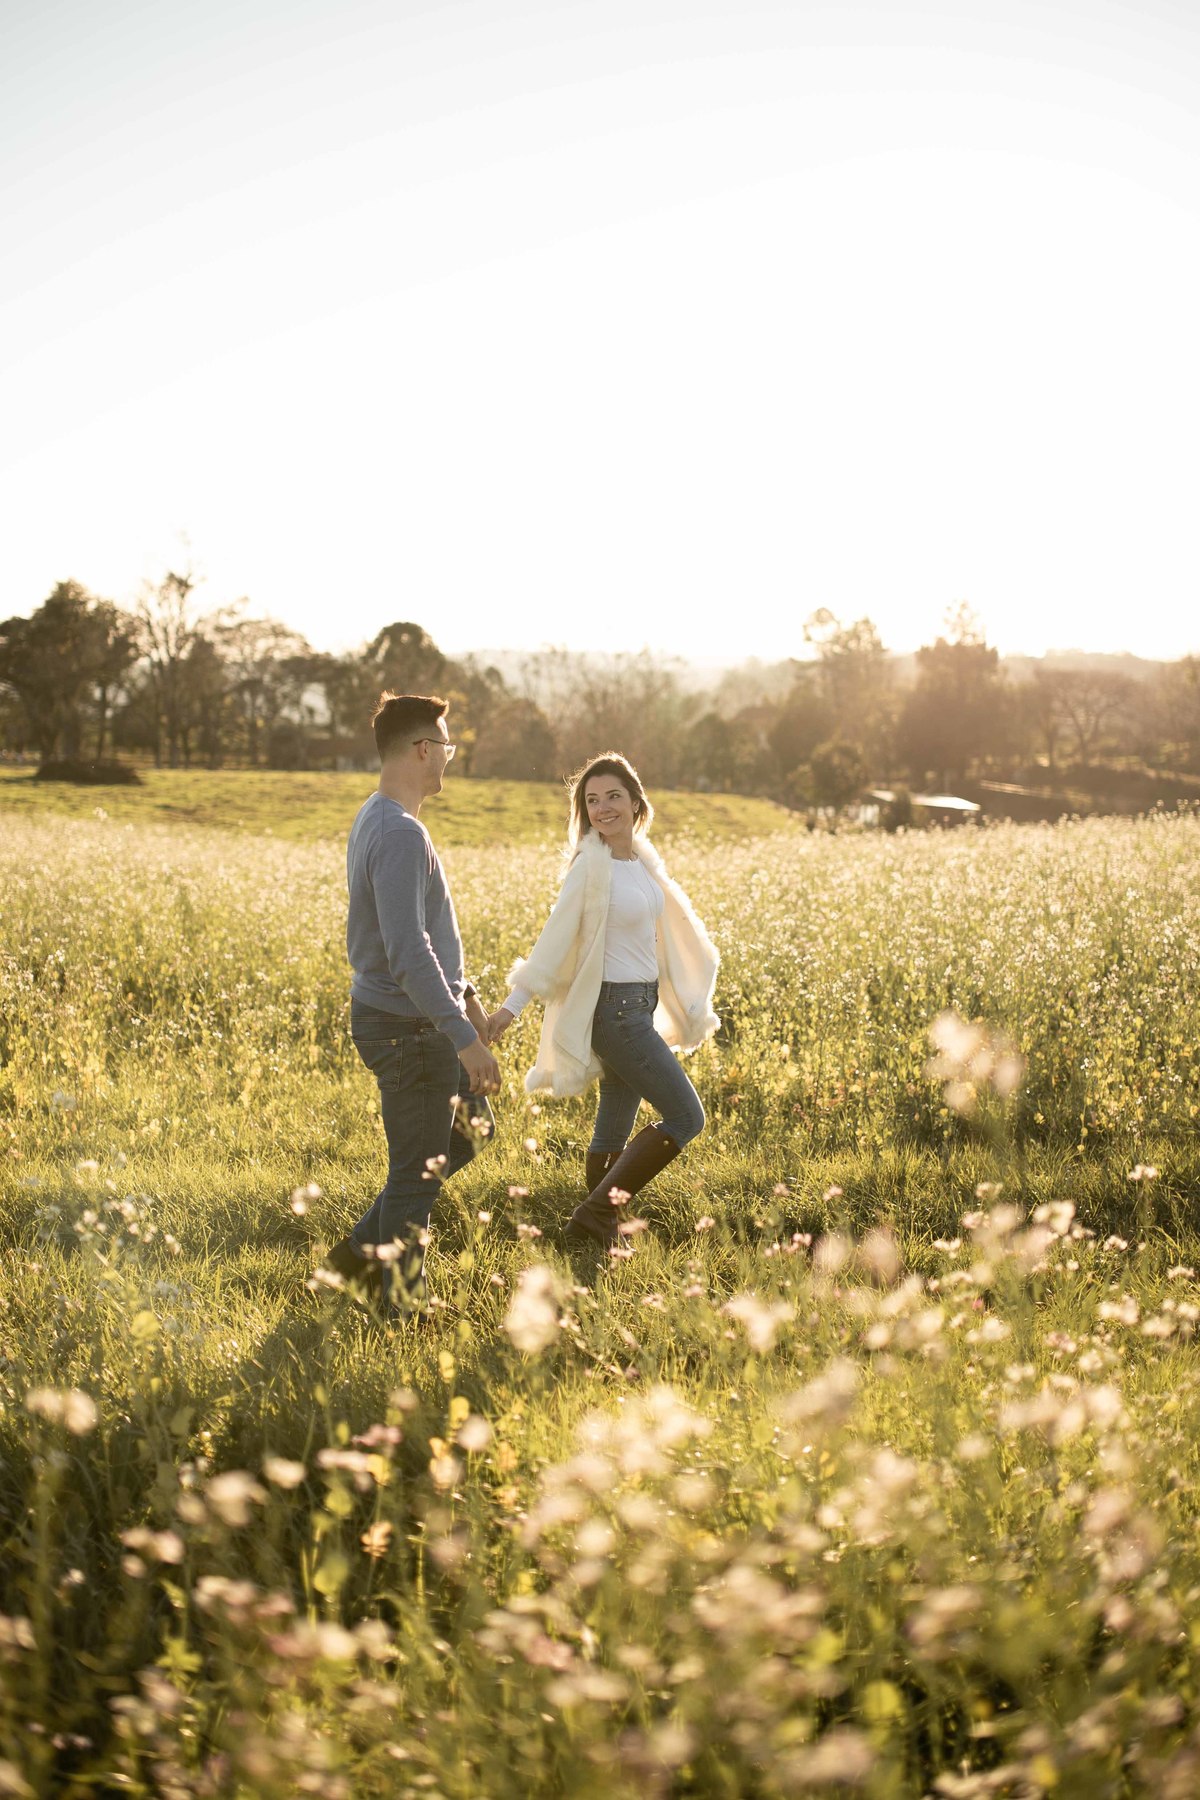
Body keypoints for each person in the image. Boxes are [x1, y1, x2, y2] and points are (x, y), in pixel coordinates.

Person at [487, 752, 719, 1247]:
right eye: (591, 800)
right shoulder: (590, 868)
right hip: (614, 1013)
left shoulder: (639, 864)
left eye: (613, 796)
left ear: (636, 802)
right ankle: (593, 1217)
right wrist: (510, 1008)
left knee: (615, 1122)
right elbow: (552, 941)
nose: (602, 807)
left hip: (638, 1007)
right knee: (686, 1117)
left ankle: (603, 1232)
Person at [324, 692, 500, 1317]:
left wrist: (468, 995)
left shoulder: (379, 815)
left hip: (416, 1017)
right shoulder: (399, 833)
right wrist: (463, 1035)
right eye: (447, 747)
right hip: (408, 1027)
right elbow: (406, 951)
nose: (449, 759)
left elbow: (426, 934)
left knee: (472, 1132)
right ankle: (399, 1299)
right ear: (424, 749)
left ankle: (353, 1260)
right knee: (419, 1171)